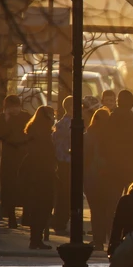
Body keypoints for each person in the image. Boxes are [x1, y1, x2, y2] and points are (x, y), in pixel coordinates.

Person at [18, 106, 57, 250]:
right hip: (42, 174)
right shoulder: (43, 133)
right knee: (43, 206)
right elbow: (45, 154)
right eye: (52, 115)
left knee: (37, 207)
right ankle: (36, 239)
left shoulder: (33, 130)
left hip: (33, 173)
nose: (53, 118)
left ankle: (35, 238)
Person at [0, 94, 30, 229]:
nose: (14, 110)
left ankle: (26, 217)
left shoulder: (26, 117)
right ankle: (11, 217)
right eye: (11, 107)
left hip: (23, 157)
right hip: (8, 158)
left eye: (16, 107)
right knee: (9, 188)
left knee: (24, 187)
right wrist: (6, 119)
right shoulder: (2, 118)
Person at [85, 107, 118, 250]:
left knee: (96, 210)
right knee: (109, 211)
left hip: (91, 178)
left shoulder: (88, 135)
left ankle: (98, 241)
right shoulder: (113, 136)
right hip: (109, 178)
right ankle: (111, 240)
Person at [106, 89, 133, 194]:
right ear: (132, 104)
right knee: (130, 199)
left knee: (113, 202)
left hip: (113, 168)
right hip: (132, 167)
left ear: (118, 102)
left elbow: (104, 143)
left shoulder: (110, 121)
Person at [50, 96, 74, 236]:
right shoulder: (70, 123)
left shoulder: (59, 123)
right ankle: (61, 221)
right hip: (68, 161)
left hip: (60, 161)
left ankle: (59, 221)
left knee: (62, 194)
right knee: (67, 194)